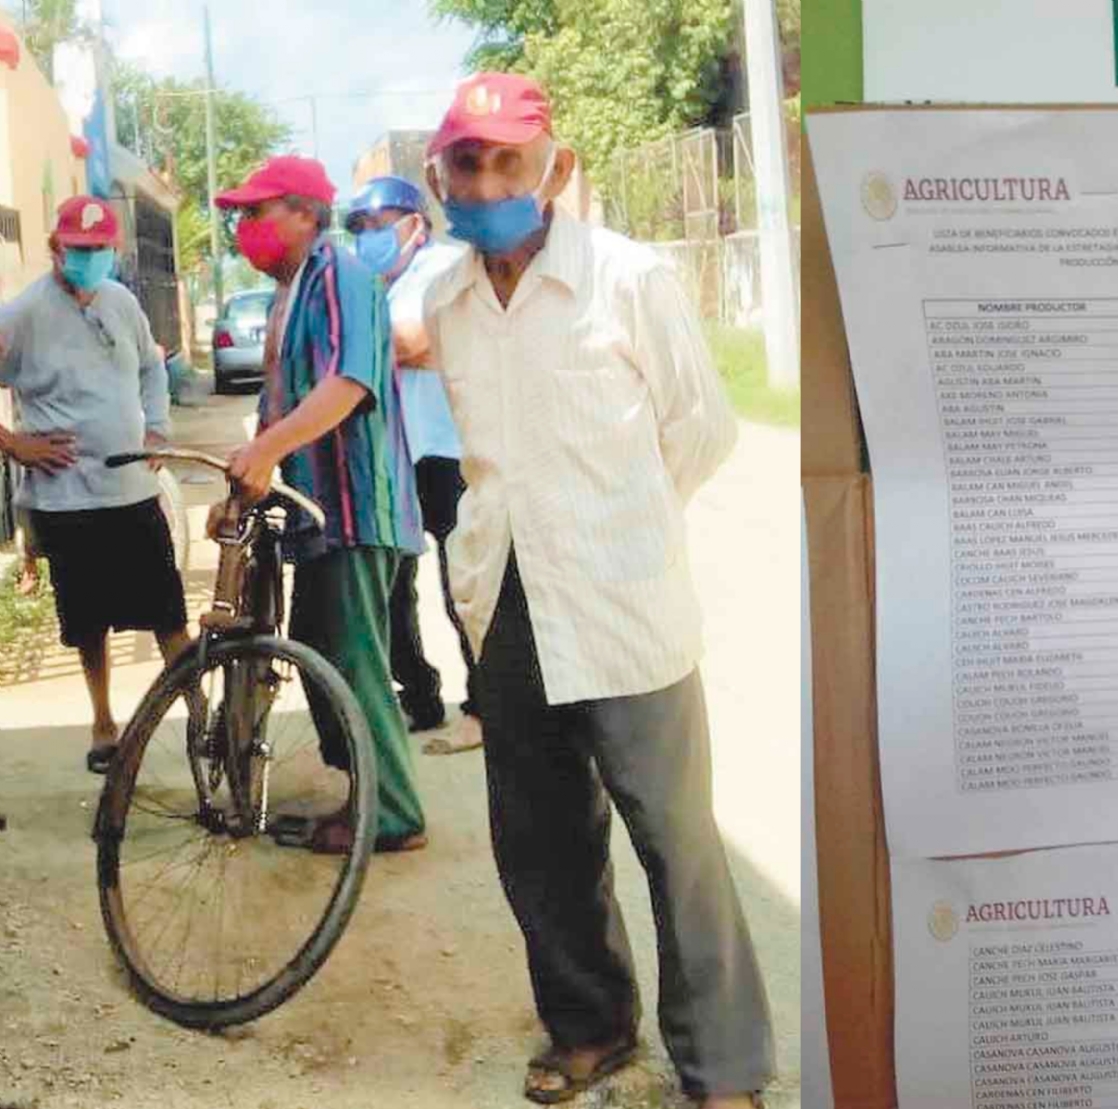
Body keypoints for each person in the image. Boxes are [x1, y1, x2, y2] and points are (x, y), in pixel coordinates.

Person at [422, 74, 769, 1107]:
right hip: (507, 601)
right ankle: (589, 1023)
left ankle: (724, 1063)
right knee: (539, 839)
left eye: (506, 161)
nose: (484, 182)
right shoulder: (446, 302)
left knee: (677, 842)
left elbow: (700, 429)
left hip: (625, 608)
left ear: (555, 168)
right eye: (465, 163)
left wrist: (619, 530)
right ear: (439, 173)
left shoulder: (628, 280)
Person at [210, 155, 428, 853]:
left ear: (305, 212)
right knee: (318, 652)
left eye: (257, 211)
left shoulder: (342, 276)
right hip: (316, 511)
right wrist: (244, 483)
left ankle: (392, 812)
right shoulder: (289, 294)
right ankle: (364, 785)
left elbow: (349, 381)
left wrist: (270, 448)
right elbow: (282, 408)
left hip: (358, 506)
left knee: (354, 662)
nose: (245, 228)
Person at [0, 197, 191, 773]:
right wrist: (13, 444)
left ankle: (201, 713)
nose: (88, 259)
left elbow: (150, 368)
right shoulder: (23, 314)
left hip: (132, 489)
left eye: (99, 249)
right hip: (66, 501)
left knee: (169, 615)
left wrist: (157, 427)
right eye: (78, 250)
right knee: (88, 622)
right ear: (56, 249)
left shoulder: (122, 301)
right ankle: (104, 722)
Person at [343, 176, 483, 754]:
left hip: (450, 451)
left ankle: (485, 707)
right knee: (394, 586)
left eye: (379, 227)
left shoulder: (448, 268)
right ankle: (419, 697)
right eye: (361, 231)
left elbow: (419, 342)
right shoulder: (368, 282)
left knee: (464, 584)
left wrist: (373, 341)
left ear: (415, 225)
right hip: (392, 451)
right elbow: (401, 346)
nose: (369, 239)